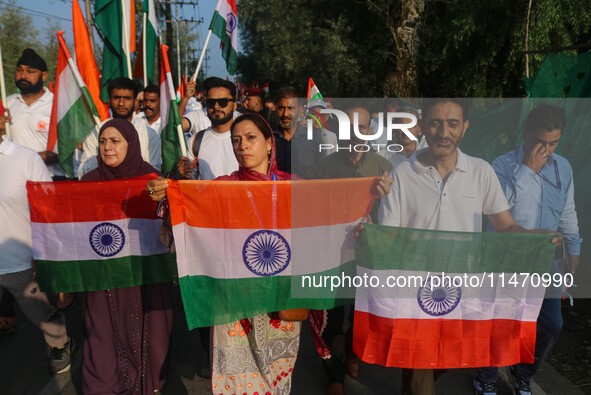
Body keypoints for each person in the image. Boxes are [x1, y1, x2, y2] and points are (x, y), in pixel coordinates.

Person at [378, 98, 561, 395]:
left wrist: (536, 236)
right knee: (420, 373)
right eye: (436, 123)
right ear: (423, 125)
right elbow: (389, 237)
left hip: (463, 290)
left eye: (452, 124)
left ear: (465, 128)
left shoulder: (482, 172)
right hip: (416, 291)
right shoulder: (400, 176)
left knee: (448, 360)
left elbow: (505, 227)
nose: (443, 132)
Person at [147, 113, 301, 394]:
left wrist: (368, 195)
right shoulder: (222, 187)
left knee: (275, 378)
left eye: (251, 138)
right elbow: (188, 220)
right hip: (233, 298)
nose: (242, 145)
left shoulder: (294, 187)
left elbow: (329, 216)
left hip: (279, 298)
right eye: (236, 140)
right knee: (234, 379)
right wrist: (168, 197)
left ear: (269, 144)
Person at [474, 104, 582, 395]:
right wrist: (526, 170)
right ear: (525, 134)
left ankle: (522, 373)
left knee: (551, 324)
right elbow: (493, 211)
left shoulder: (564, 168)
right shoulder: (501, 166)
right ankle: (485, 377)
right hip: (505, 259)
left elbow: (567, 211)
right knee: (498, 321)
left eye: (553, 143)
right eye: (539, 142)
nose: (545, 150)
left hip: (545, 262)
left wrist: (574, 247)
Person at [81, 118, 173, 394]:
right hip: (102, 277)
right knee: (102, 334)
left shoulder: (151, 181)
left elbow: (169, 224)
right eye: (102, 141)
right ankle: (105, 385)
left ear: (131, 144)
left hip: (145, 275)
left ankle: (148, 383)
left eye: (115, 141)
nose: (107, 148)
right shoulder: (88, 182)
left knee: (149, 331)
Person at [311, 105, 393, 395]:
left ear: (370, 131)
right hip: (331, 256)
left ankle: (353, 351)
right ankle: (335, 376)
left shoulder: (384, 167)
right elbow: (311, 211)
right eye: (349, 128)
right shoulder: (325, 167)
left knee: (361, 315)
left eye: (362, 128)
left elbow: (394, 216)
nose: (355, 134)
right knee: (331, 318)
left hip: (367, 256)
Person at [0, 111, 72, 374]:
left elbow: (48, 208)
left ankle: (60, 344)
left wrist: (41, 251)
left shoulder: (25, 158)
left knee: (39, 312)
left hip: (18, 258)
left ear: (2, 121)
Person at [78, 77, 161, 179]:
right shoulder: (96, 131)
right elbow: (85, 170)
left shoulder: (148, 134)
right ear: (109, 100)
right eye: (116, 98)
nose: (121, 103)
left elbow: (153, 175)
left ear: (135, 101)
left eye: (127, 98)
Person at [6, 48, 65, 179]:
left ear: (44, 75)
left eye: (30, 72)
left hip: (49, 178)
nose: (23, 76)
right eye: (19, 70)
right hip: (14, 178)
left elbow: (63, 151)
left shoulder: (57, 105)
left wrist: (26, 159)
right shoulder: (7, 104)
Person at [177, 77, 239, 180]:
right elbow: (190, 183)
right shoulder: (196, 141)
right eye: (211, 102)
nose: (216, 106)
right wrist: (185, 175)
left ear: (234, 106)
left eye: (223, 102)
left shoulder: (245, 140)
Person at [274, 87, 326, 178]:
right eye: (281, 108)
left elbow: (323, 174)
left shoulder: (315, 138)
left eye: (291, 108)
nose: (285, 114)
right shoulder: (268, 138)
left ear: (300, 109)